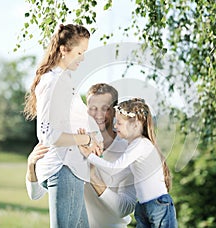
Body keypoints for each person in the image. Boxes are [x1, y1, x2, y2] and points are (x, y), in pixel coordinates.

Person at [23, 24, 102, 228]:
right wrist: (88, 139)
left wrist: (93, 140)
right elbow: (50, 134)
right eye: (79, 52)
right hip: (64, 167)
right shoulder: (53, 81)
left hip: (72, 168)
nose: (82, 58)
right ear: (63, 50)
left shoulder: (63, 79)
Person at [26, 83, 136, 227]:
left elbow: (125, 208)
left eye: (105, 108)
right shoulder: (72, 141)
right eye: (92, 108)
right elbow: (36, 194)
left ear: (115, 111)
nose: (98, 115)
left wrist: (92, 176)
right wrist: (31, 165)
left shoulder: (127, 150)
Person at [80, 98, 178, 227]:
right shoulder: (133, 145)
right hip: (144, 207)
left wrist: (89, 155)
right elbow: (118, 175)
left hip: (158, 205)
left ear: (135, 124)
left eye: (119, 123)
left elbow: (114, 168)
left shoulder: (141, 144)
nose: (115, 126)